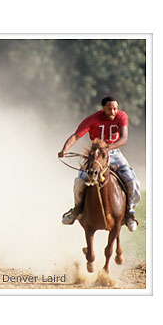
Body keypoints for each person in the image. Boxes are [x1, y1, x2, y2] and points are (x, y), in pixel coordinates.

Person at [58, 96, 141, 232]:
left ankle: (130, 212)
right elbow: (76, 136)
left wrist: (108, 148)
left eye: (115, 109)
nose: (113, 112)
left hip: (114, 153)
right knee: (80, 181)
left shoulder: (122, 116)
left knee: (132, 180)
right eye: (109, 109)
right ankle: (77, 210)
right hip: (95, 155)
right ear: (103, 109)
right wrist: (64, 149)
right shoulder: (92, 119)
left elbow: (124, 138)